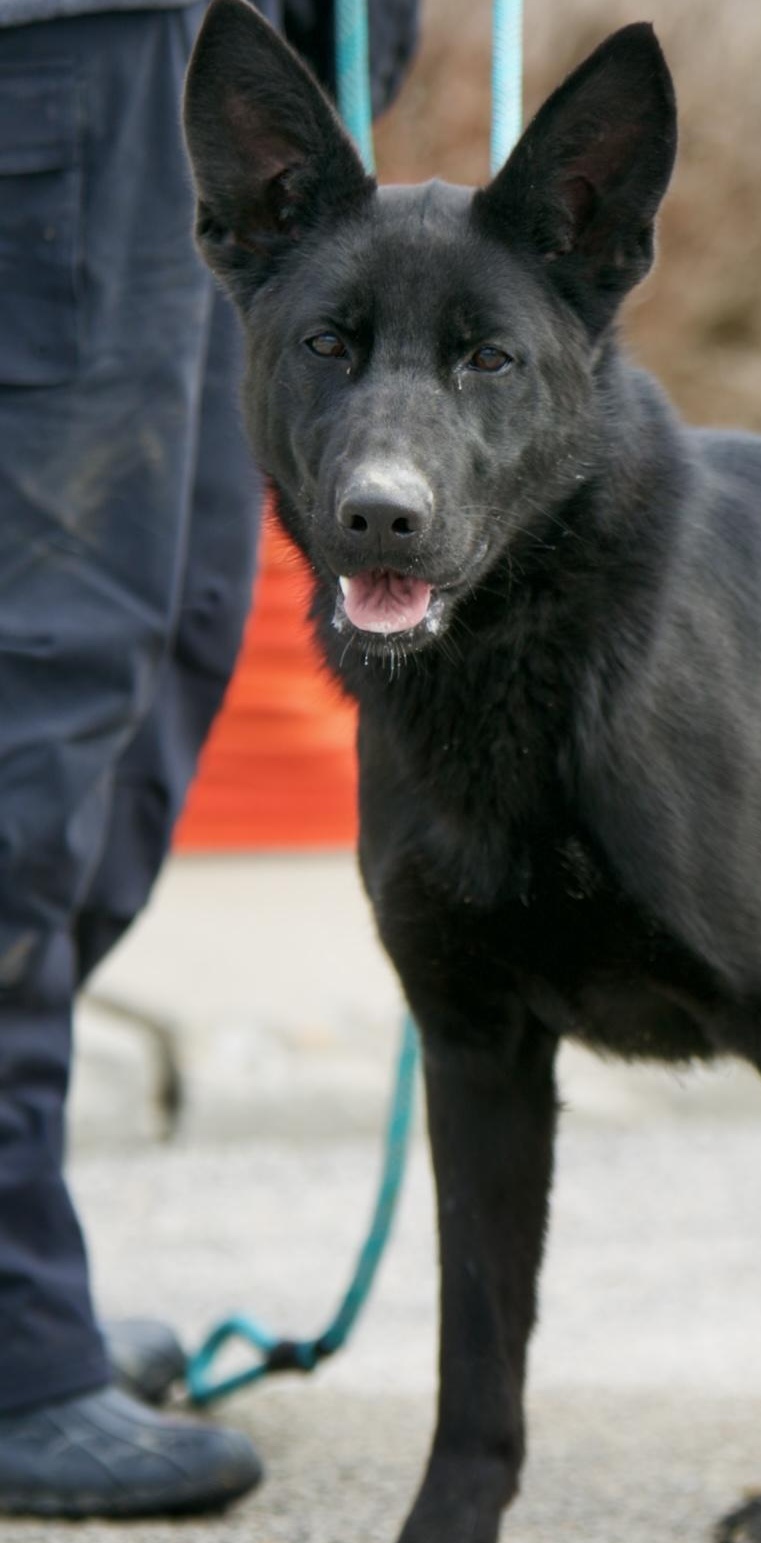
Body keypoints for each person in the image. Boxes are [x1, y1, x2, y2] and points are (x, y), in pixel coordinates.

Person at [0, 0, 415, 1517]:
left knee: (155, 651)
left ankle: (20, 1280)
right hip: (50, 51)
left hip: (194, 50)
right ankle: (8, 1329)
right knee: (31, 698)